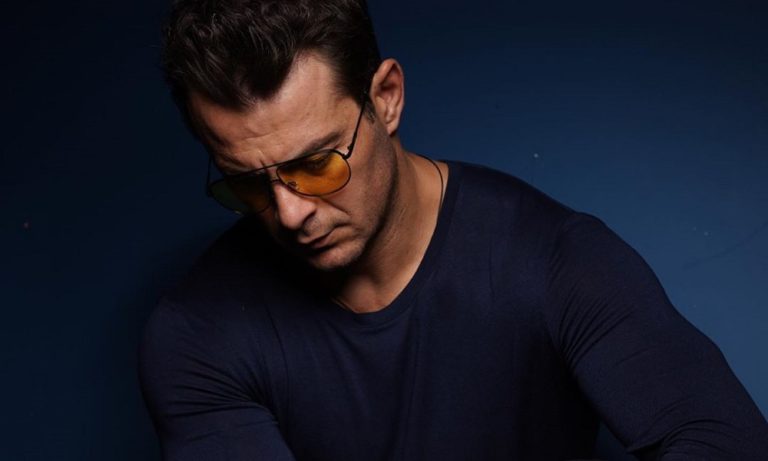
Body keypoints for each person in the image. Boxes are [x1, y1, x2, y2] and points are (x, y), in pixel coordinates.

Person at [139, 1, 768, 459]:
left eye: (317, 164)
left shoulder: (556, 260)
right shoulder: (197, 331)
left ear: (386, 98)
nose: (290, 213)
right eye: (247, 183)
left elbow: (724, 441)